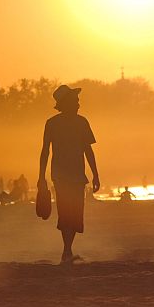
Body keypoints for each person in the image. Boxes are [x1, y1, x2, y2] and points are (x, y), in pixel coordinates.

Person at [38, 84, 101, 264]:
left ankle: (67, 250)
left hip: (73, 175)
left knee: (73, 213)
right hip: (64, 176)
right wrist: (40, 178)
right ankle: (67, 251)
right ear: (66, 103)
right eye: (75, 100)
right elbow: (45, 152)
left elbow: (88, 150)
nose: (79, 103)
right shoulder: (55, 123)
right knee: (67, 213)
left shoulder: (80, 122)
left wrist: (95, 174)